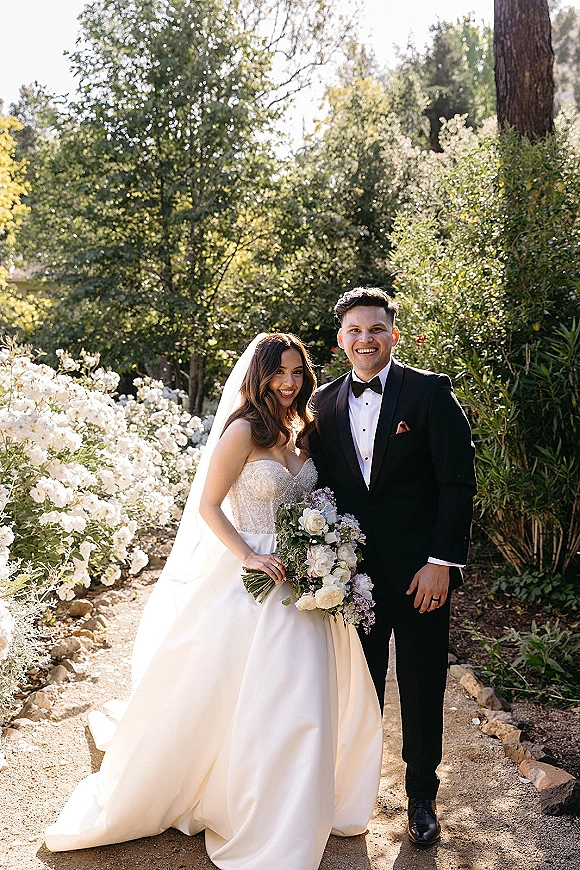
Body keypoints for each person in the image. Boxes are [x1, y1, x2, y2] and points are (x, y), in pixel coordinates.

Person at [45, 333, 383, 870]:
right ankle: (246, 807)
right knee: (242, 693)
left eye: (298, 372)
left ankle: (295, 805)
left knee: (305, 698)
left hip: (307, 578)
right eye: (280, 373)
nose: (290, 382)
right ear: (260, 375)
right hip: (253, 578)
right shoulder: (243, 431)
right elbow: (208, 505)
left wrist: (328, 549)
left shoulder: (304, 430)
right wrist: (248, 556)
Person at [309, 288, 476, 848]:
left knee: (423, 685)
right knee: (359, 688)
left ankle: (421, 799)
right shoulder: (323, 405)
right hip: (352, 577)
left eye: (375, 328)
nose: (365, 339)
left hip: (421, 575)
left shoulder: (430, 393)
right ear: (340, 340)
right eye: (354, 330)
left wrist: (441, 563)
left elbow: (457, 482)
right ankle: (353, 791)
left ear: (393, 334)